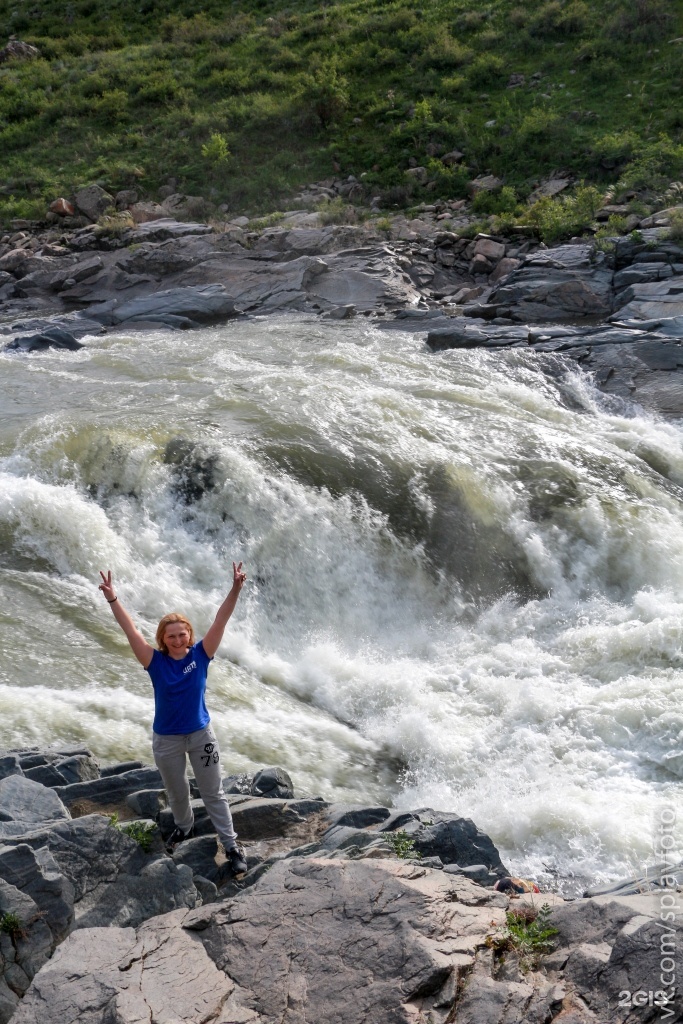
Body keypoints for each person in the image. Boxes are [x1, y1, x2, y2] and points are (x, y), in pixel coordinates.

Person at [98, 562, 248, 876]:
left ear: (189, 635)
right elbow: (130, 631)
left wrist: (235, 588)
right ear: (163, 639)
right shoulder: (153, 661)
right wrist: (113, 599)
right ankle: (184, 827)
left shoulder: (202, 654)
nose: (178, 639)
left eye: (182, 634)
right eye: (172, 636)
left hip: (202, 736)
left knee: (213, 793)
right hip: (166, 740)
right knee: (177, 792)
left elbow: (222, 618)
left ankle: (232, 845)